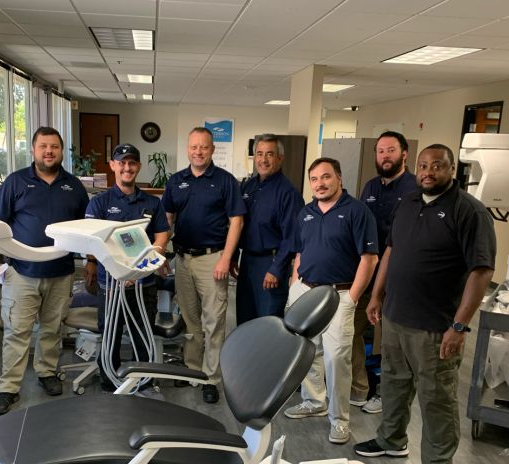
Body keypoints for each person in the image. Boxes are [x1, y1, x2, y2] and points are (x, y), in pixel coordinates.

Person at [353, 144, 496, 464]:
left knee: (436, 399)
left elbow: (481, 271)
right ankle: (391, 440)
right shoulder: (409, 202)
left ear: (452, 169)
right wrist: (377, 295)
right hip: (395, 317)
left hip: (436, 326)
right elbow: (391, 250)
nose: (429, 172)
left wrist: (459, 326)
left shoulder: (469, 212)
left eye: (437, 166)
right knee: (394, 384)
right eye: (423, 166)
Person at [0, 126, 88, 416]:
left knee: (52, 329)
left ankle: (47, 372)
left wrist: (91, 260)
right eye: (43, 146)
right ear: (33, 150)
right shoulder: (16, 182)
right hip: (22, 272)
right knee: (17, 331)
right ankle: (8, 388)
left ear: (61, 151)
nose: (48, 151)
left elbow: (86, 226)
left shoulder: (73, 186)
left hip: (61, 272)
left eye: (54, 146)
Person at [284, 157, 378, 444]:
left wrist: (353, 298)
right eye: (314, 179)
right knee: (308, 351)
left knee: (337, 358)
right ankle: (314, 401)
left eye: (326, 177)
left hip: (340, 294)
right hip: (306, 291)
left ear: (339, 178)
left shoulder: (357, 211)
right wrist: (294, 285)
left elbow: (369, 259)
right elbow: (300, 253)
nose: (320, 183)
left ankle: (339, 420)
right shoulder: (306, 213)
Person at [162, 127, 245, 403]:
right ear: (188, 149)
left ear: (212, 150)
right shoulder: (176, 181)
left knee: (214, 322)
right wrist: (160, 254)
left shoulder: (225, 181)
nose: (198, 152)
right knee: (190, 320)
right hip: (183, 259)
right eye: (194, 147)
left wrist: (226, 258)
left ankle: (211, 378)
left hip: (213, 259)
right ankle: (192, 369)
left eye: (204, 147)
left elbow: (236, 221)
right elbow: (167, 220)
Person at [85, 143, 170, 390]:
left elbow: (162, 235)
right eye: (121, 162)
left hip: (144, 283)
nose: (127, 168)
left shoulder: (152, 203)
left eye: (132, 163)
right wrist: (120, 272)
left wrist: (140, 267)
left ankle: (143, 382)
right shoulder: (100, 203)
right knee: (110, 334)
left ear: (138, 166)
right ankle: (109, 383)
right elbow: (92, 242)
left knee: (142, 334)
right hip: (111, 284)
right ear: (112, 165)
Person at [351, 131, 419, 415]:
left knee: (391, 340)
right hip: (367, 272)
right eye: (380, 151)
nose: (385, 156)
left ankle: (386, 394)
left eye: (391, 150)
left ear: (404, 154)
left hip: (398, 277)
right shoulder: (370, 187)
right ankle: (360, 387)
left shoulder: (415, 189)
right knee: (353, 330)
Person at [232, 134, 300, 324]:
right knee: (245, 319)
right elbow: (239, 224)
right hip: (247, 261)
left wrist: (276, 269)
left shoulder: (288, 192)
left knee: (268, 322)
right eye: (259, 154)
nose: (263, 159)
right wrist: (234, 256)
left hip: (270, 263)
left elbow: (291, 238)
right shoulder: (248, 187)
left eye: (270, 154)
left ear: (280, 158)